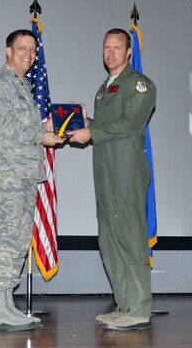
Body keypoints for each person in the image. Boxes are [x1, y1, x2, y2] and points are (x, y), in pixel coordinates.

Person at [69, 28, 156, 331]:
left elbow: (130, 125)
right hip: (106, 174)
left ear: (128, 52)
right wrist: (84, 120)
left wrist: (91, 131)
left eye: (117, 48)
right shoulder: (103, 89)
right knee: (109, 239)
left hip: (127, 173)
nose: (110, 53)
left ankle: (140, 308)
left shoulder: (139, 85)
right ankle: (125, 305)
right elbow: (107, 126)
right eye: (106, 48)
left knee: (130, 238)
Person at [0, 29, 64, 332]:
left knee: (16, 242)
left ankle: (5, 304)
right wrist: (41, 135)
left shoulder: (22, 87)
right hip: (6, 178)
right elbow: (2, 126)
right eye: (22, 48)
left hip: (23, 177)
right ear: (8, 51)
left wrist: (54, 126)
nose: (28, 54)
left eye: (32, 50)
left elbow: (25, 128)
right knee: (4, 241)